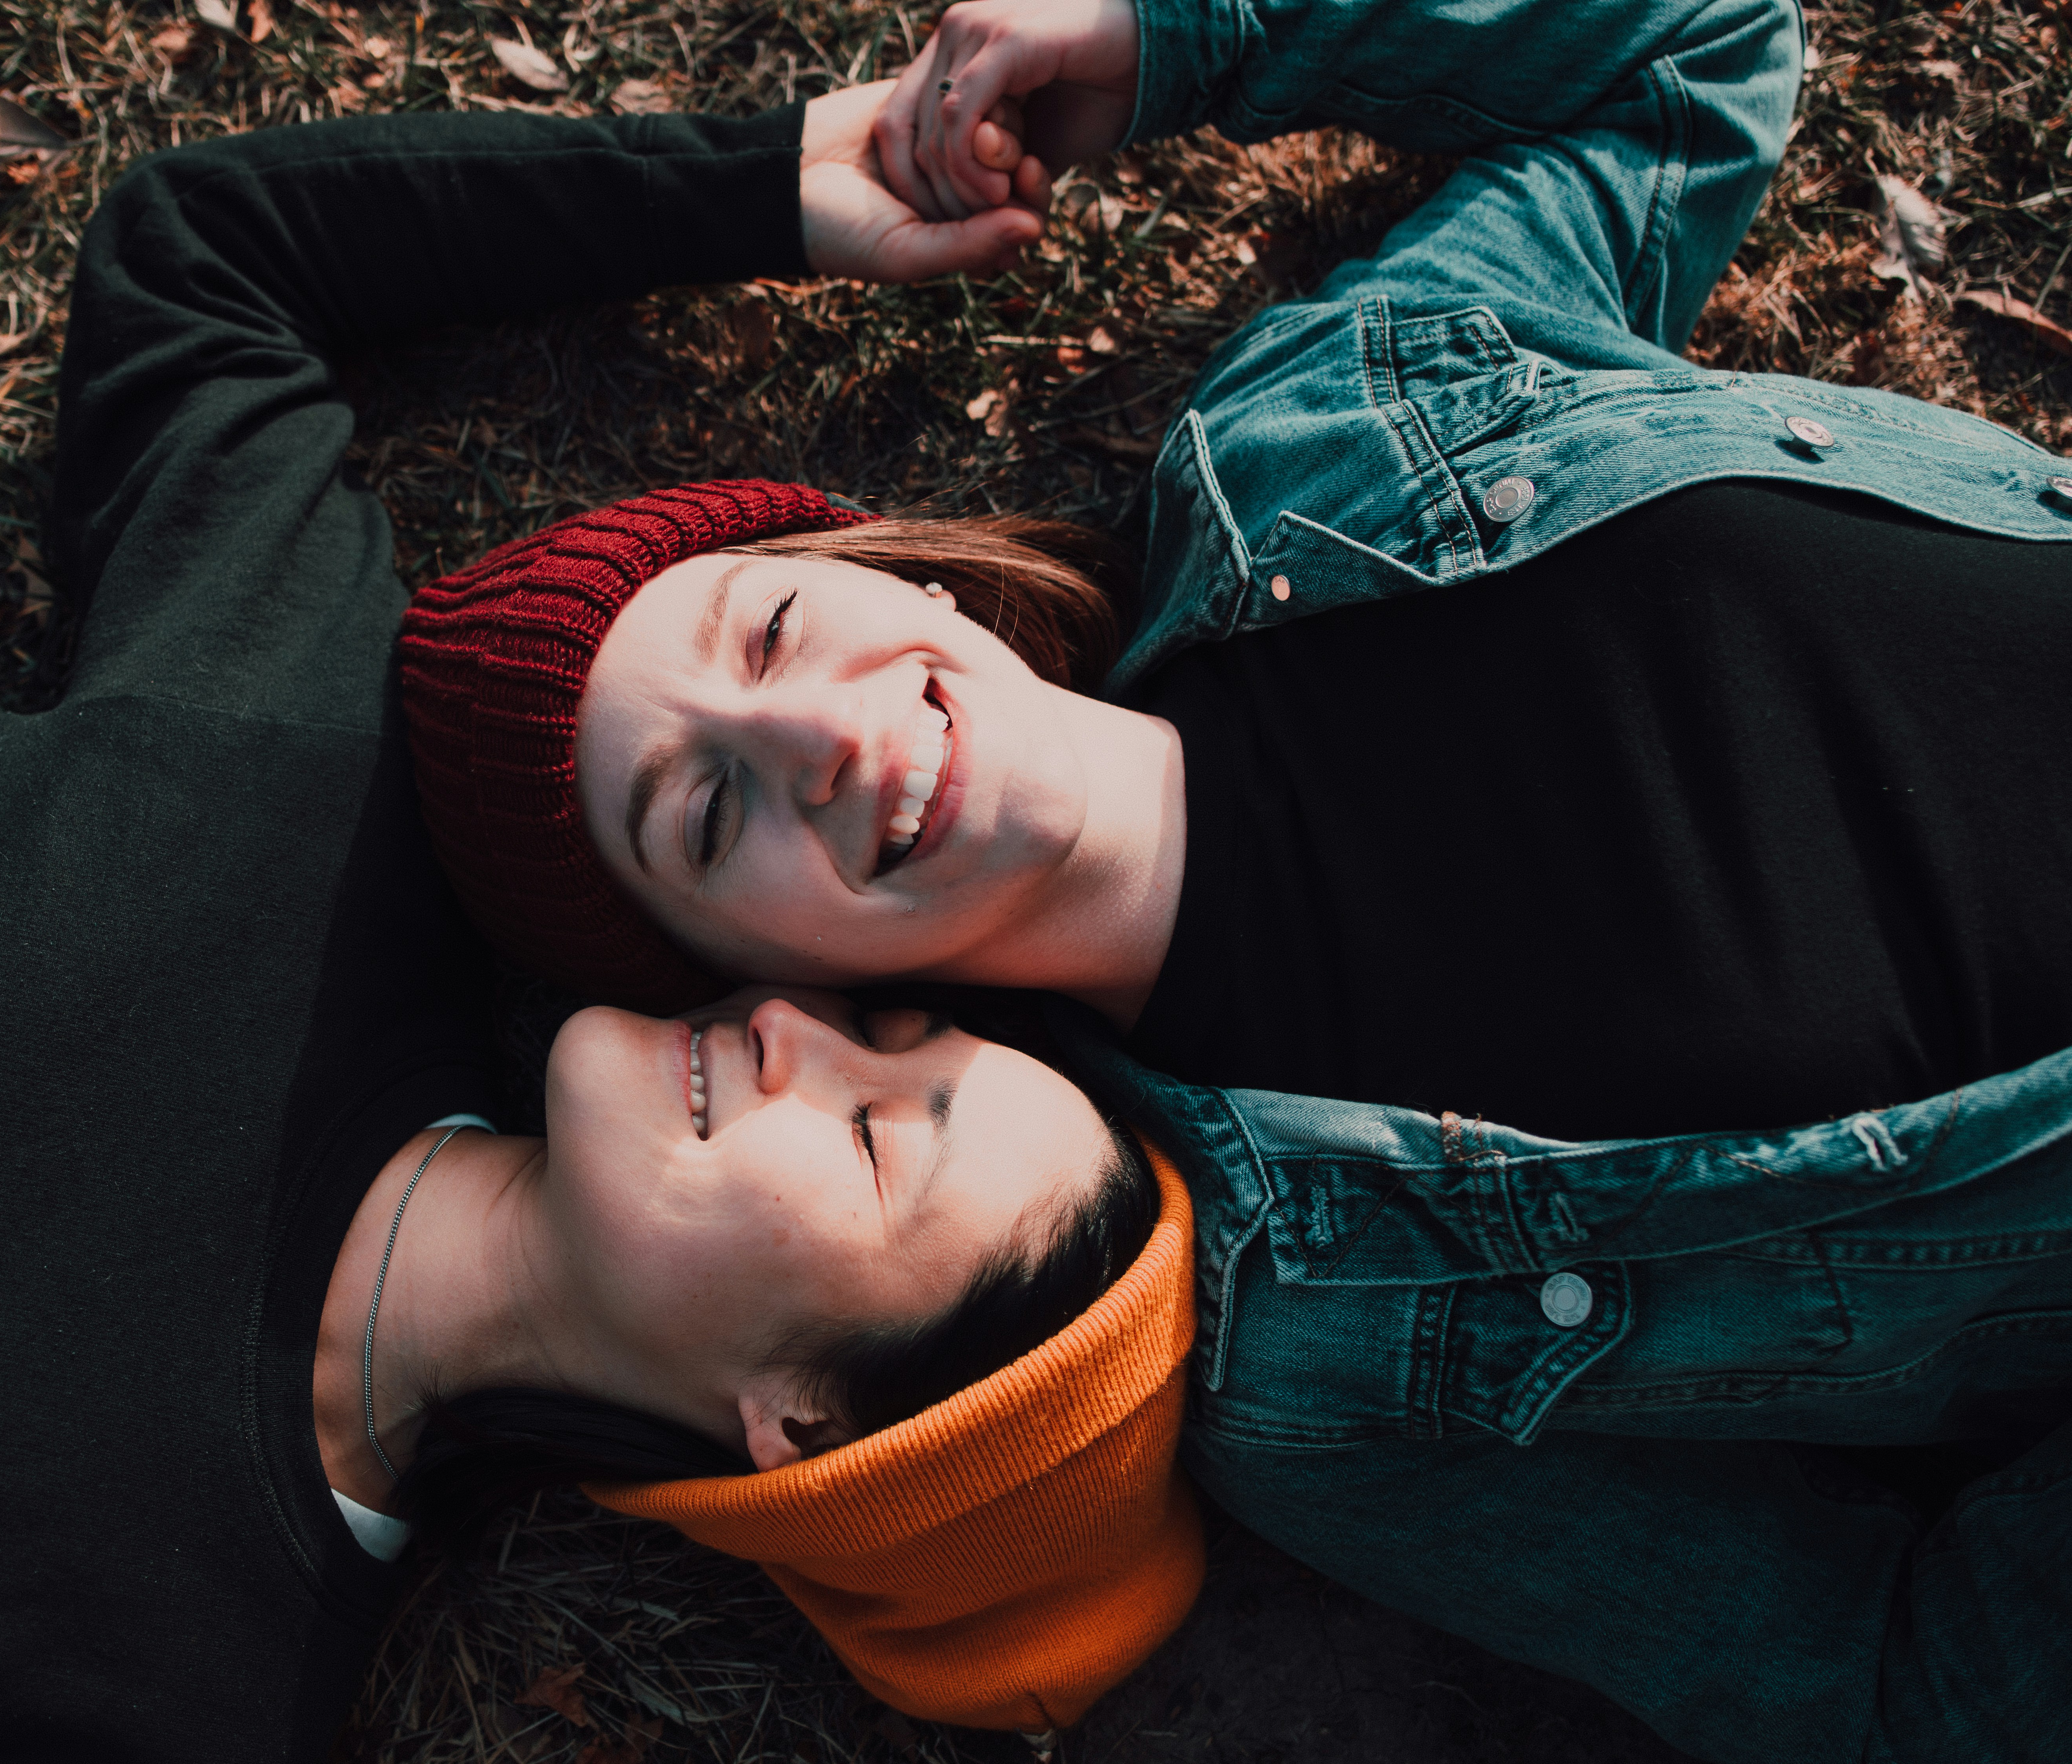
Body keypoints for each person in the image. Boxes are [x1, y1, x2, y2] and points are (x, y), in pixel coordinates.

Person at [0, 100, 1212, 1759]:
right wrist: (764, 182)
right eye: (899, 1031)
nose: (802, 1034)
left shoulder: (167, 1683)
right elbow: (204, 259)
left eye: (883, 1140)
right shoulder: (317, 815)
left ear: (802, 1430)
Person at [392, 1, 2072, 1758]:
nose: (803, 735)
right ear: (755, 979)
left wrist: (1182, 44)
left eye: (779, 620)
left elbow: (1692, 58)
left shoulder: (1326, 422)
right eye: (706, 816)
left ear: (914, 580)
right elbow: (1890, 1684)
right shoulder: (1319, 1362)